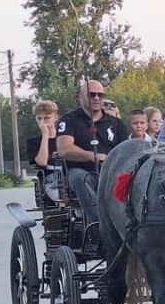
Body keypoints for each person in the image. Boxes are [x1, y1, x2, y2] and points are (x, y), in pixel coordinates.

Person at [56, 80, 129, 222]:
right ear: (80, 96)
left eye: (100, 95)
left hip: (112, 172)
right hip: (81, 172)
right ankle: (99, 223)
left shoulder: (116, 123)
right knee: (81, 178)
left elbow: (126, 150)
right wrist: (92, 156)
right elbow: (64, 150)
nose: (96, 98)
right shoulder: (69, 120)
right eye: (91, 94)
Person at [26, 100, 60, 203]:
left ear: (55, 117)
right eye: (39, 118)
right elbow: (42, 162)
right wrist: (45, 135)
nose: (42, 123)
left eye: (46, 118)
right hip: (49, 179)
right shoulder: (33, 142)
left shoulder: (65, 139)